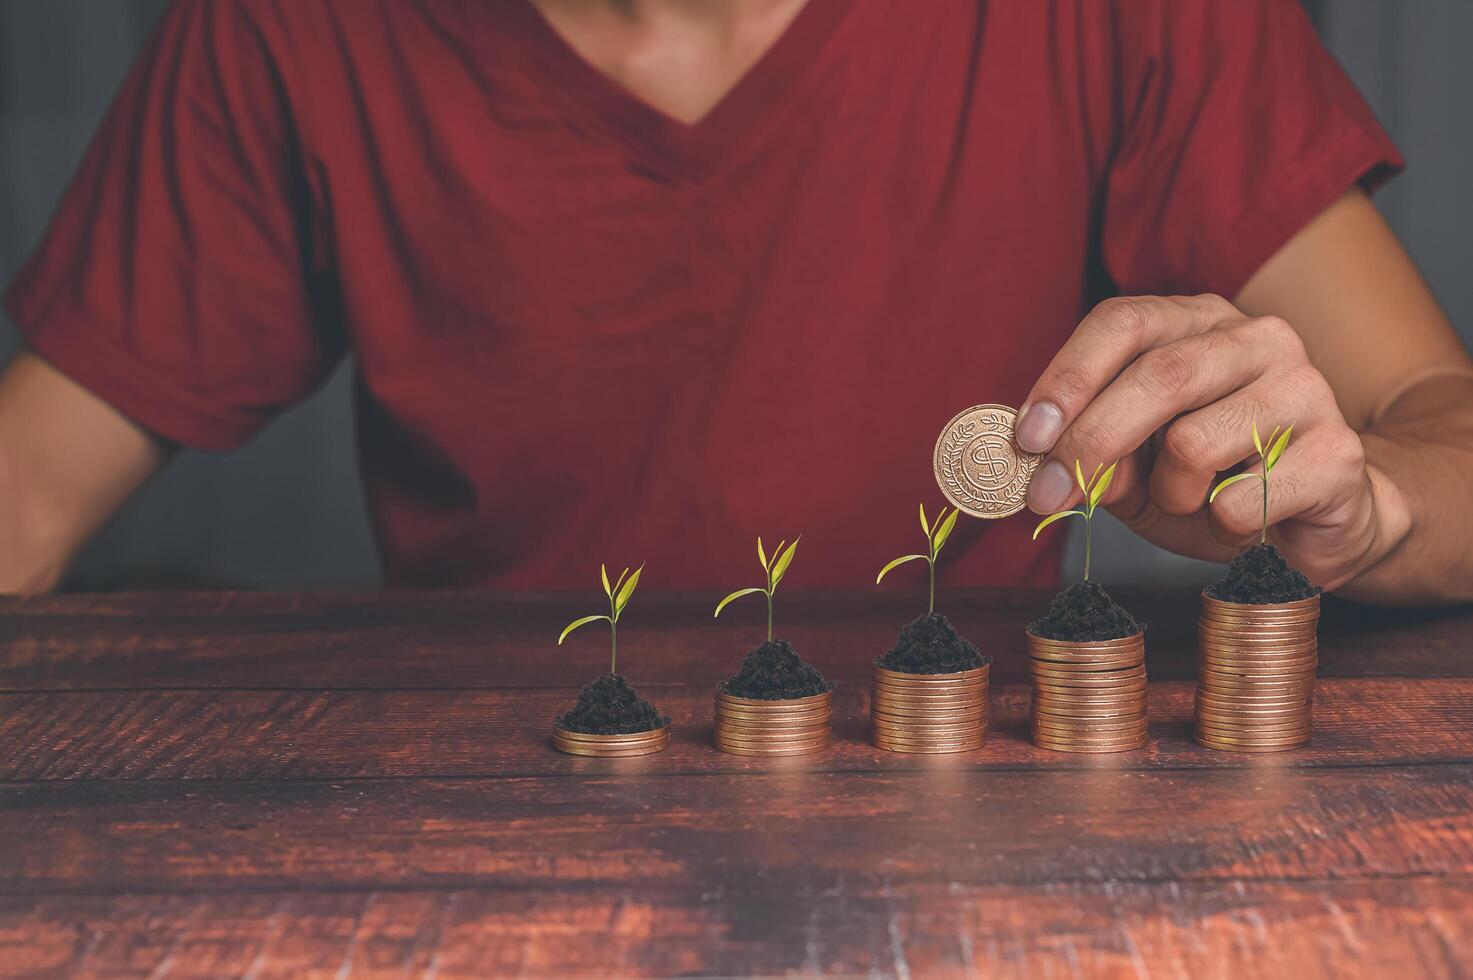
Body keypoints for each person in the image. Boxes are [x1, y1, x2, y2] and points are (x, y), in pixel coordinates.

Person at [2, 0, 1470, 601]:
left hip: (983, 834)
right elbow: (25, 498)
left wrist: (1374, 506)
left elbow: (1441, 431)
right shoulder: (290, 28)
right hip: (488, 856)